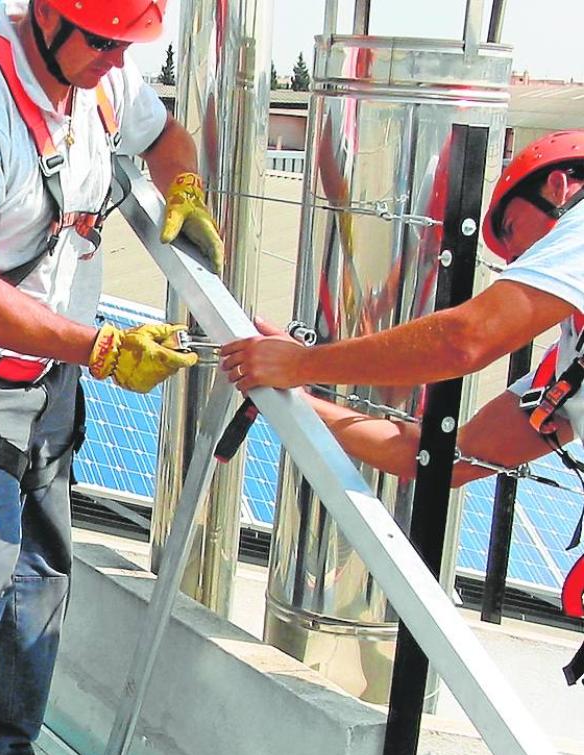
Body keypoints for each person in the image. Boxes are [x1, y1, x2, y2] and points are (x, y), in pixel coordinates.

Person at [0, 0, 223, 755]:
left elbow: (167, 137)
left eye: (126, 47)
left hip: (50, 388)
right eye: (105, 45)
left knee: (37, 588)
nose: (118, 64)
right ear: (46, 18)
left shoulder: (104, 73)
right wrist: (102, 349)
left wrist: (186, 188)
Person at [218, 131, 584, 490]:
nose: (514, 259)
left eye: (510, 228)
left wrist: (300, 364)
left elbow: (465, 340)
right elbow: (453, 460)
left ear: (557, 187)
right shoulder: (568, 369)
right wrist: (292, 396)